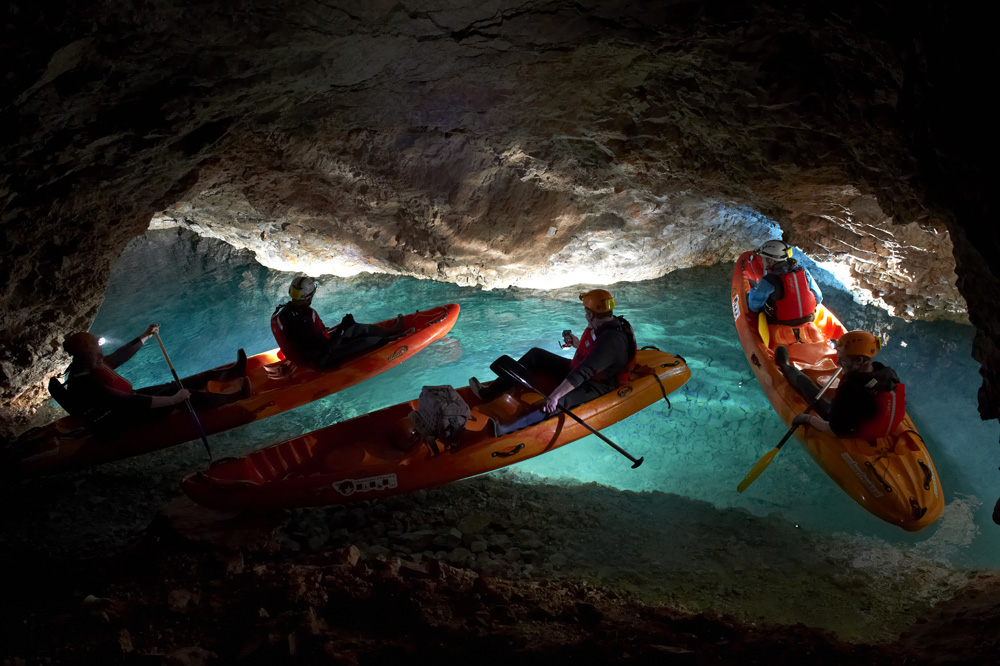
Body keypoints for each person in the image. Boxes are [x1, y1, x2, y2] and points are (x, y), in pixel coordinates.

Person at [469, 288, 638, 436]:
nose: (585, 315)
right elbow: (596, 355)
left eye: (586, 311)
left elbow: (585, 371)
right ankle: (488, 393)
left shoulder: (611, 340)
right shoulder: (606, 324)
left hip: (598, 385)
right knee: (536, 355)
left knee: (558, 402)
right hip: (586, 369)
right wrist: (577, 344)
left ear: (590, 314)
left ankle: (506, 428)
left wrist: (556, 395)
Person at [60, 325, 248, 430]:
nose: (100, 346)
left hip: (124, 405)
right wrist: (174, 399)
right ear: (88, 350)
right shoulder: (86, 381)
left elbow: (120, 355)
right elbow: (128, 402)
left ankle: (230, 372)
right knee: (176, 391)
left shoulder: (88, 362)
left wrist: (146, 336)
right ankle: (231, 397)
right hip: (119, 420)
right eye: (96, 344)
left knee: (172, 384)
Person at [777, 330, 906, 440]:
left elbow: (834, 431)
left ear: (860, 360)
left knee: (804, 382)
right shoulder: (888, 373)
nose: (838, 362)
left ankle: (784, 365)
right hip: (872, 422)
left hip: (850, 428)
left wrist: (807, 419)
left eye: (843, 359)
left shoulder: (849, 388)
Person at [270, 276, 411, 368]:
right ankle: (395, 339)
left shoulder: (284, 313)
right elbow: (327, 349)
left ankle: (393, 331)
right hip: (319, 360)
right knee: (366, 342)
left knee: (354, 328)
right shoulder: (303, 321)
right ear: (309, 296)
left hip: (310, 352)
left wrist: (346, 328)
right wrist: (343, 328)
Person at [747, 239, 823, 326]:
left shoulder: (768, 280)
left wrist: (753, 291)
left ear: (770, 260)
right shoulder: (802, 270)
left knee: (749, 296)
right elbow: (819, 298)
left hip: (782, 322)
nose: (762, 261)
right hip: (810, 317)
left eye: (763, 258)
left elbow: (754, 307)